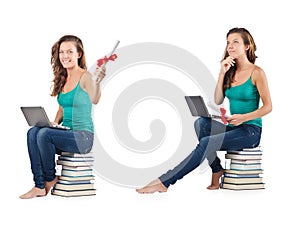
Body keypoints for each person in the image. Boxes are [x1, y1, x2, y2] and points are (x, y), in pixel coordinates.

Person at [136, 27, 272, 193]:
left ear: (247, 46)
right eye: (228, 42)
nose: (230, 46)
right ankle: (216, 168)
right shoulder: (230, 71)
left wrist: (244, 117)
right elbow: (218, 100)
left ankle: (166, 181)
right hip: (234, 126)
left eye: (235, 42)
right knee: (201, 123)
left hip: (250, 131)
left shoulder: (257, 73)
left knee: (207, 142)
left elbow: (268, 107)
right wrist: (222, 73)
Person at [19, 35, 106, 199]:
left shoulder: (86, 77)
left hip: (83, 137)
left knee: (44, 134)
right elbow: (62, 107)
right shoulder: (63, 78)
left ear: (78, 54)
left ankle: (50, 179)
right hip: (65, 133)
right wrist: (53, 123)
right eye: (62, 52)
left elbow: (95, 99)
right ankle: (39, 185)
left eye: (70, 52)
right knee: (33, 132)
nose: (65, 56)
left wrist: (98, 81)